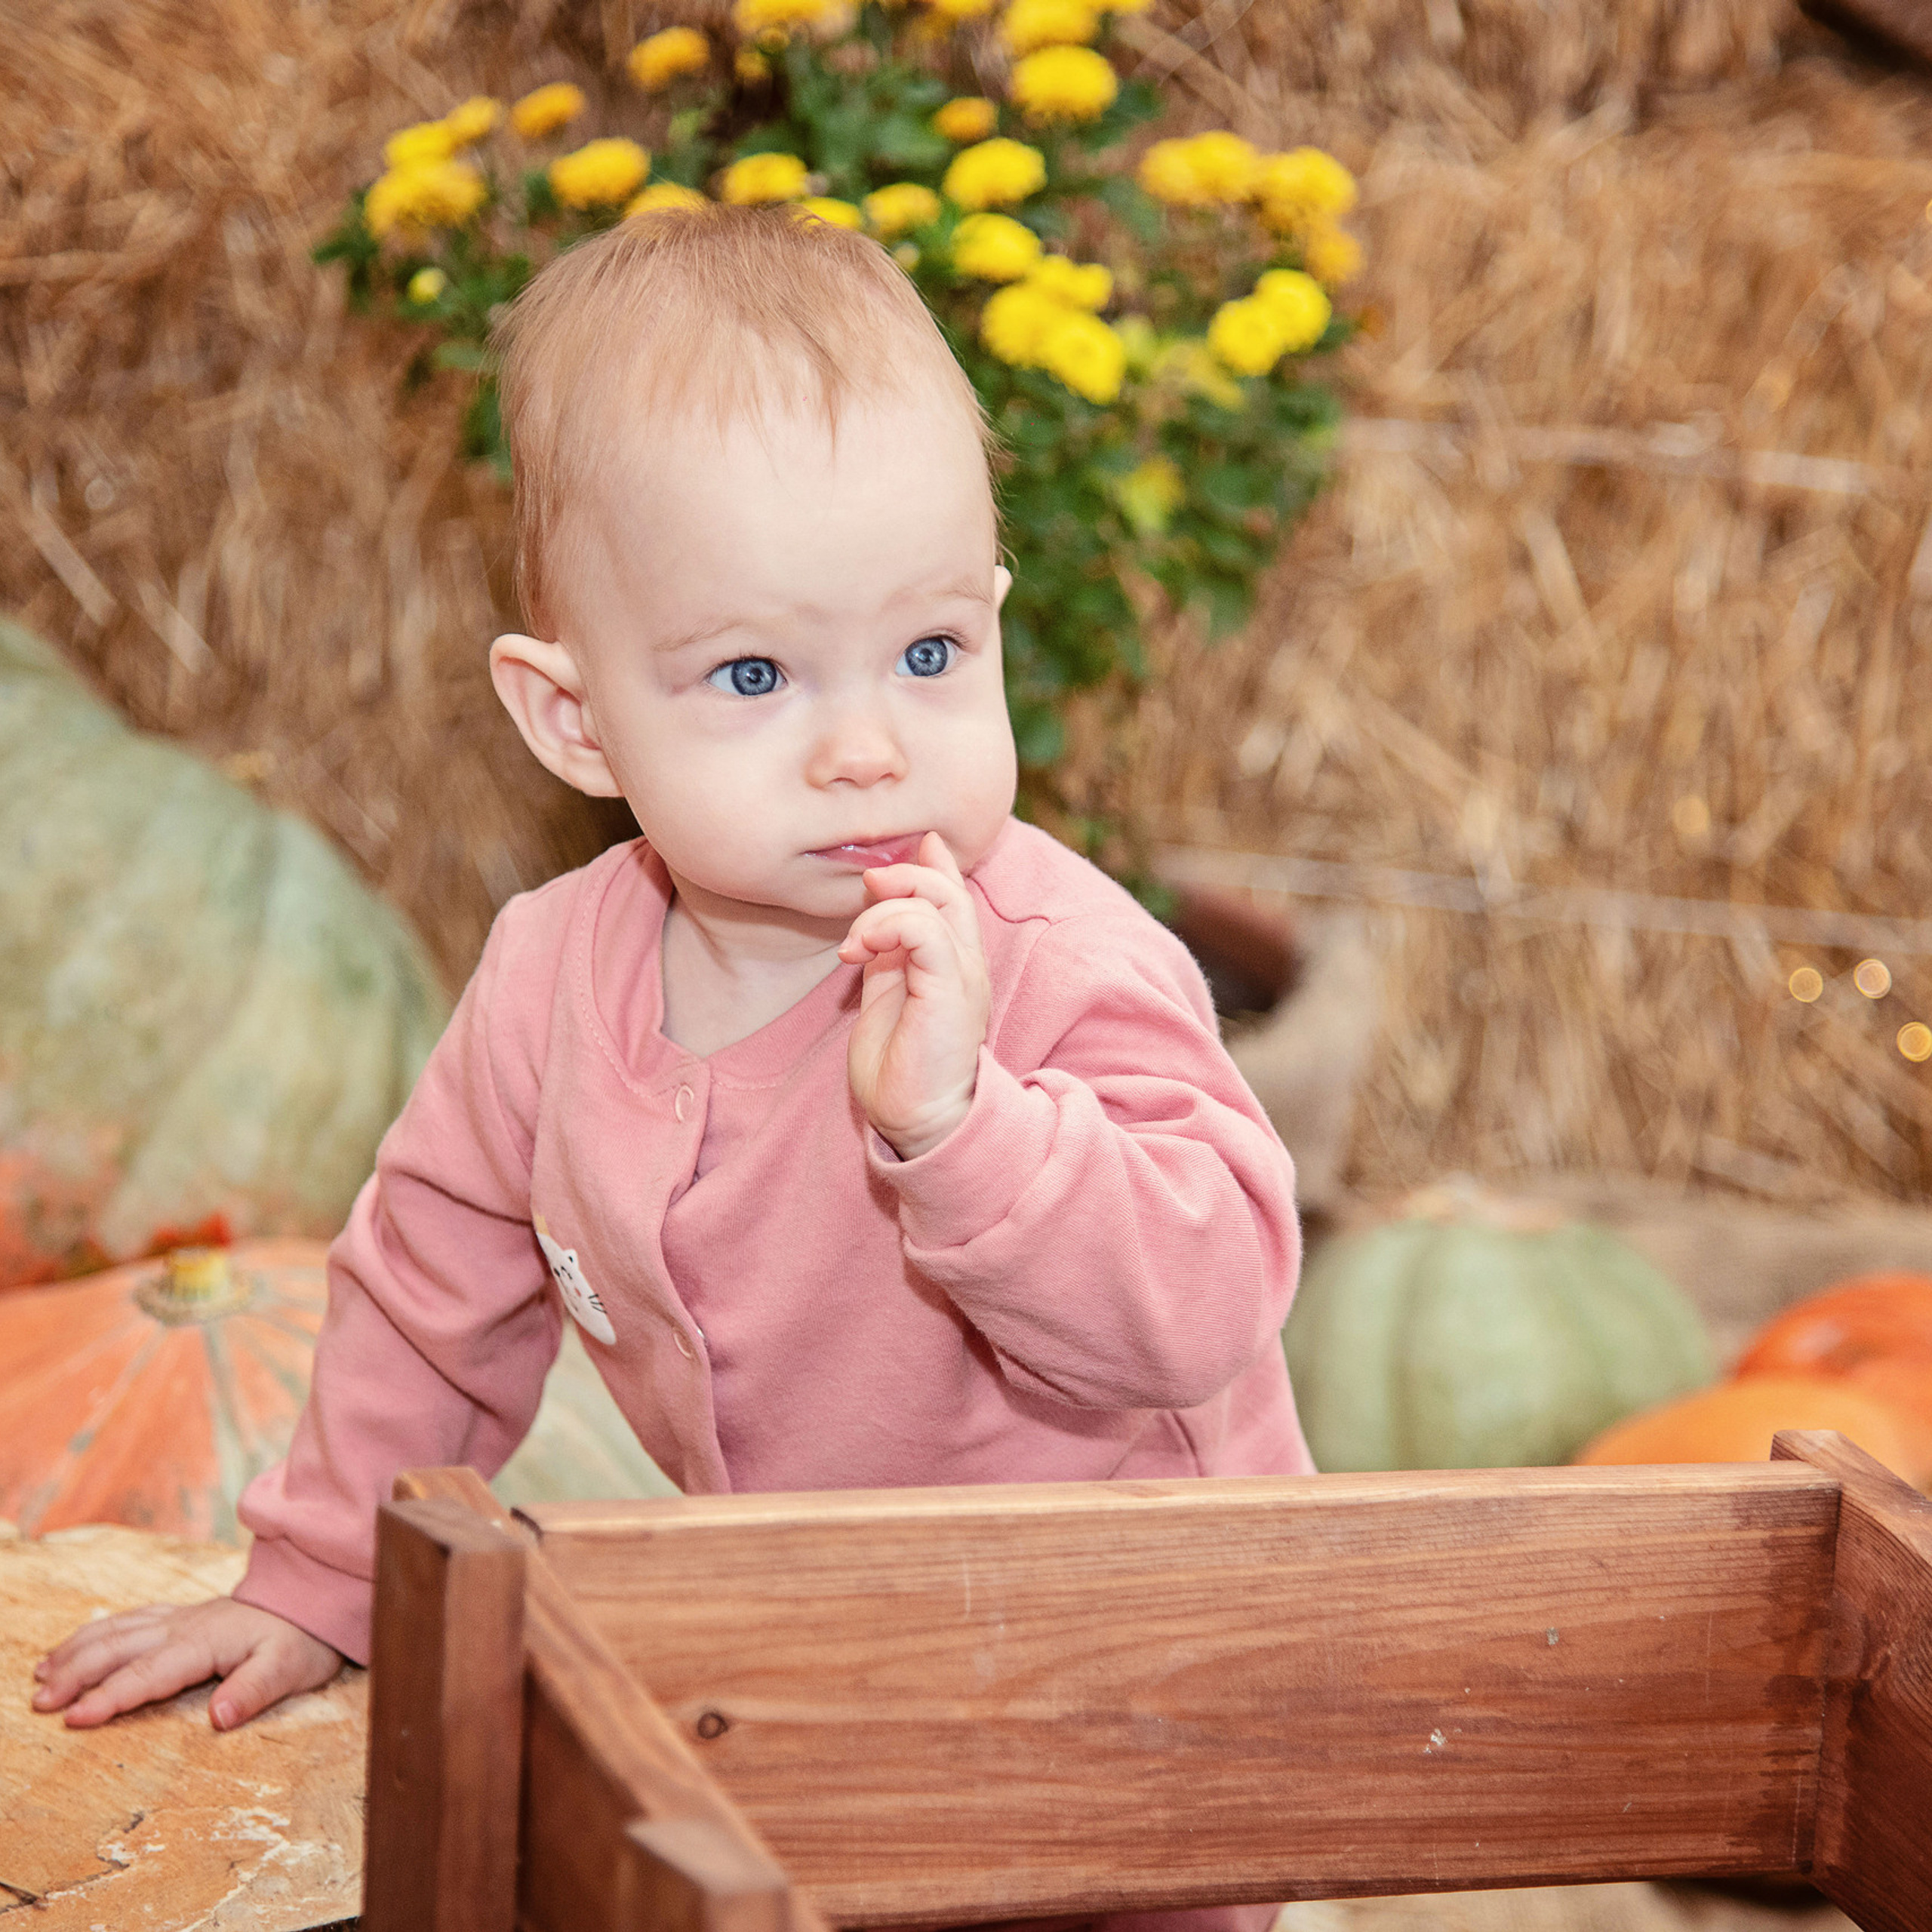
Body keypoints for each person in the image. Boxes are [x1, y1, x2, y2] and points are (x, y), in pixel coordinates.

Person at [35, 208, 1311, 1926]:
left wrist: (962, 1129)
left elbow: (1205, 1301)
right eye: (756, 673)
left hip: (1132, 1701)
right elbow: (434, 1293)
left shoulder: (1053, 962)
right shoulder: (553, 979)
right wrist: (325, 1576)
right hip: (798, 1681)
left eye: (929, 654)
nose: (867, 746)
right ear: (573, 721)